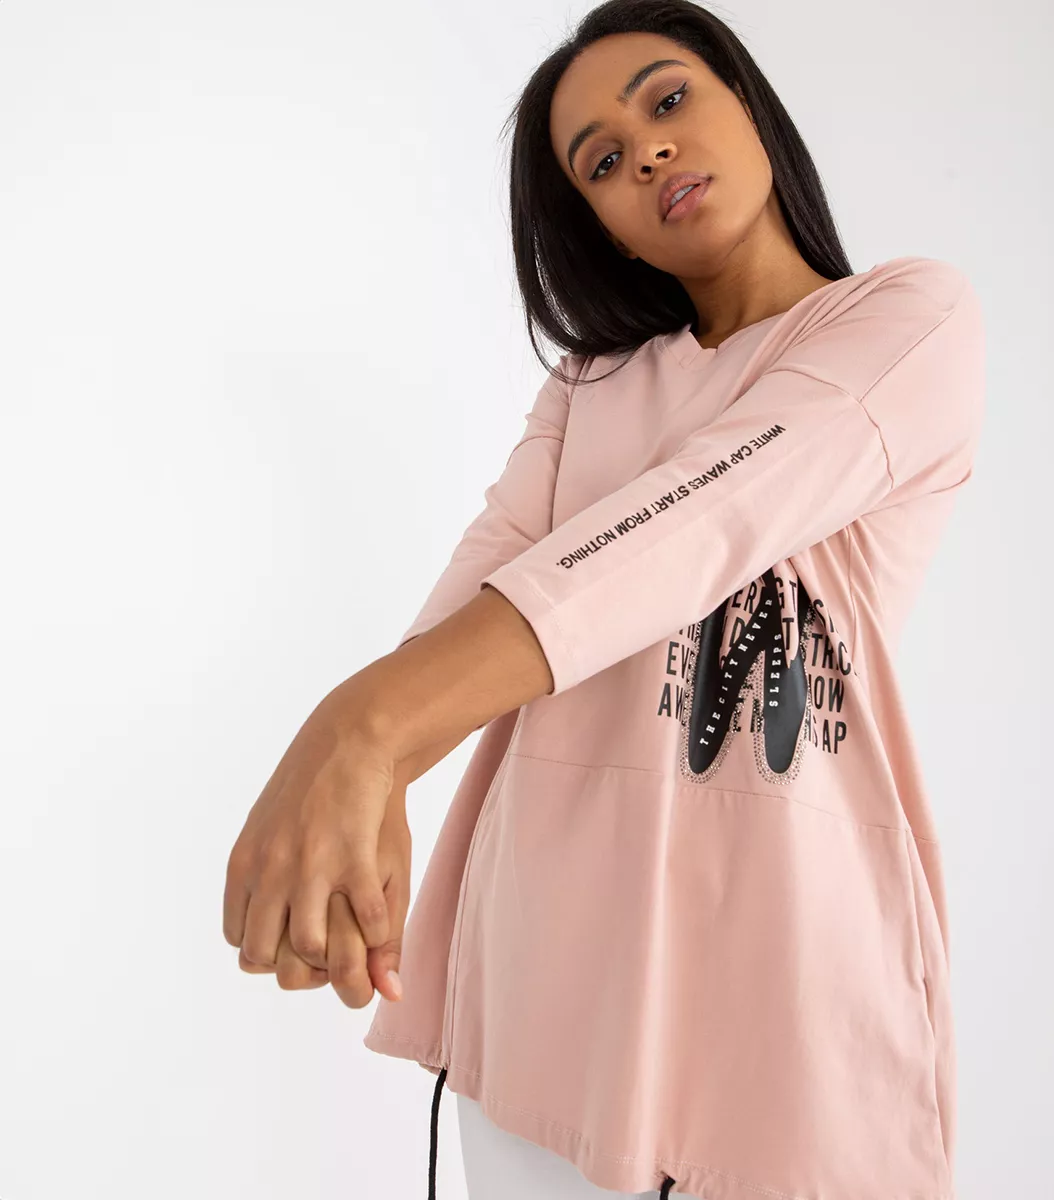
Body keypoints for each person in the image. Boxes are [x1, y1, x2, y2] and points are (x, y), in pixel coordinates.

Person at [224, 2, 986, 1198]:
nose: (648, 153)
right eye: (601, 162)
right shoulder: (591, 384)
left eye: (668, 100)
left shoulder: (906, 320)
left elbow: (701, 518)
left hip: (778, 977)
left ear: (749, 104)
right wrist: (374, 767)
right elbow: (484, 578)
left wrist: (365, 729)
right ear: (604, 231)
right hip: (546, 974)